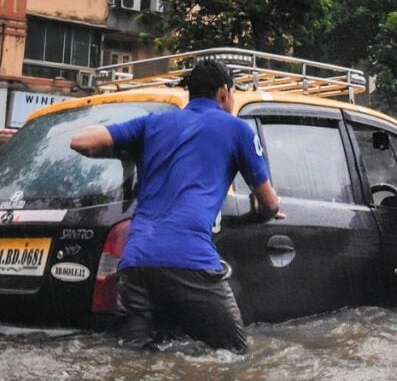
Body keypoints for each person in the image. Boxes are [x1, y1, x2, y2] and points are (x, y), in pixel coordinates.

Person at [69, 60, 283, 353]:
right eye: (233, 93)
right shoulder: (237, 130)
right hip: (192, 260)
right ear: (223, 92)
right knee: (234, 355)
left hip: (136, 263)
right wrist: (262, 211)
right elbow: (269, 203)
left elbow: (80, 141)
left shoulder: (152, 124)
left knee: (131, 359)